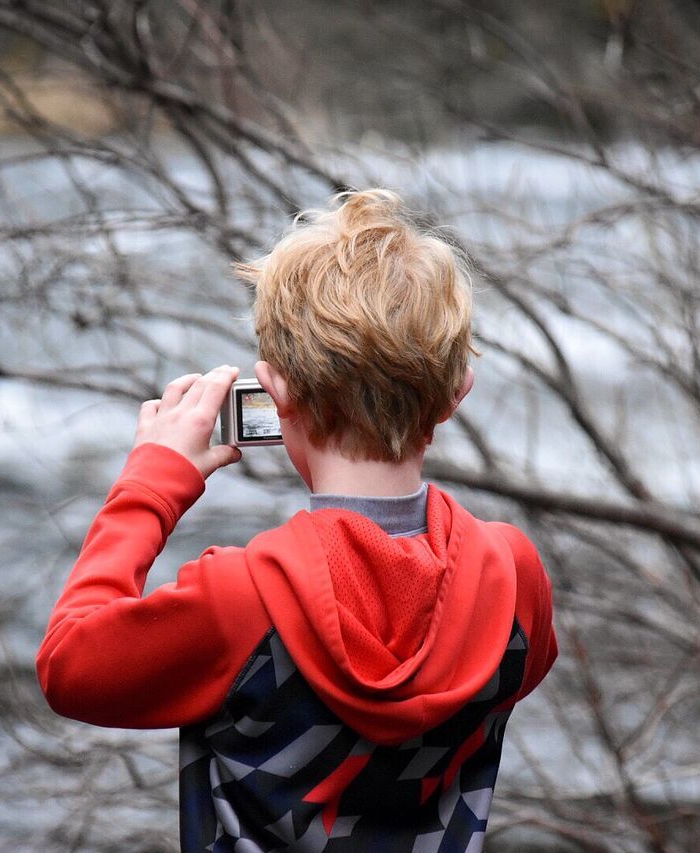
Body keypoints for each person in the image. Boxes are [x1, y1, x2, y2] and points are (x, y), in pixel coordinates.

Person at [37, 188, 558, 852]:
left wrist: (154, 480)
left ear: (274, 390)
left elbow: (68, 666)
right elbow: (515, 663)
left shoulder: (243, 600)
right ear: (457, 393)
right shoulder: (514, 578)